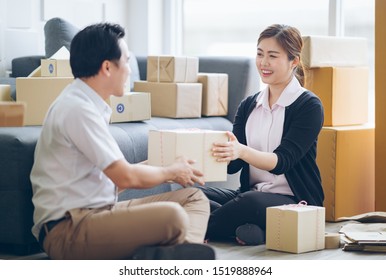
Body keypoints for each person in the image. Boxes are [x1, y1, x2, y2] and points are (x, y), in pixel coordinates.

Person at [30, 22, 214, 260]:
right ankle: (172, 256)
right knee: (174, 217)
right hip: (69, 230)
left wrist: (168, 164)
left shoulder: (90, 105)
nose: (129, 69)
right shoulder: (77, 109)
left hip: (99, 213)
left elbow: (112, 179)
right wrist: (170, 171)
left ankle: (175, 255)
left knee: (194, 198)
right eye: (126, 61)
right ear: (107, 67)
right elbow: (124, 177)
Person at [198, 24, 324, 245]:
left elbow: (281, 162)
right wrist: (208, 150)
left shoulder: (308, 106)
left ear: (293, 61)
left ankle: (191, 228)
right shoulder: (249, 105)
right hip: (249, 193)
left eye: (272, 56)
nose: (263, 63)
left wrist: (242, 150)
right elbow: (233, 166)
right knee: (196, 196)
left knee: (249, 203)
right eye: (259, 54)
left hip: (294, 199)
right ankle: (245, 229)